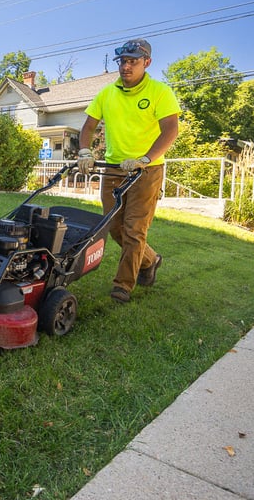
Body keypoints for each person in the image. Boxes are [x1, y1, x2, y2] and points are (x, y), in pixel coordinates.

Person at [77, 39, 181, 303]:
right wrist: (85, 152)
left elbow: (171, 131)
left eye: (132, 61)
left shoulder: (160, 92)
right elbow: (88, 127)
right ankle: (150, 260)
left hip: (147, 171)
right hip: (113, 170)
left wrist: (145, 159)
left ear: (147, 62)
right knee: (113, 228)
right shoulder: (106, 93)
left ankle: (122, 286)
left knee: (135, 230)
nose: (126, 66)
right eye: (123, 61)